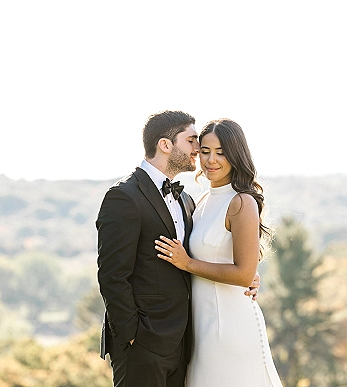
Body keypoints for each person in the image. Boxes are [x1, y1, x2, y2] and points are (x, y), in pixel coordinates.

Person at [96, 111, 260, 387]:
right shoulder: (124, 197)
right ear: (165, 145)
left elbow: (202, 252)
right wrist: (134, 336)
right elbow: (112, 276)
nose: (198, 149)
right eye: (192, 141)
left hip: (186, 343)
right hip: (143, 346)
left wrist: (247, 274)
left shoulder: (186, 199)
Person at [155, 119, 283, 386]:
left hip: (232, 326)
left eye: (221, 153)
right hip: (201, 329)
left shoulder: (241, 202)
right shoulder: (199, 201)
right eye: (205, 151)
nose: (211, 160)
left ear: (236, 155)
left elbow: (245, 273)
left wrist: (187, 263)